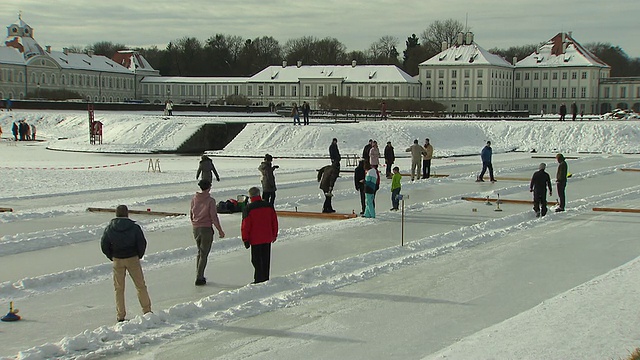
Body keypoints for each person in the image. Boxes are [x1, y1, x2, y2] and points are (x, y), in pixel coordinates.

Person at [100, 205, 152, 322]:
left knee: (119, 289)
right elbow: (142, 243)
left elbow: (104, 245)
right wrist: (139, 255)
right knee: (140, 286)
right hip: (132, 258)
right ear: (127, 214)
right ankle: (147, 310)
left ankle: (120, 315)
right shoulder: (134, 227)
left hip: (117, 259)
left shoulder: (110, 228)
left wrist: (111, 256)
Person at [190, 180, 226, 285]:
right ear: (209, 188)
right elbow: (213, 217)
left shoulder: (194, 199)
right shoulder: (210, 200)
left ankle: (199, 274)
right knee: (204, 254)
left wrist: (194, 223)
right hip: (206, 228)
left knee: (200, 252)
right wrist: (220, 230)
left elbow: (191, 213)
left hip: (196, 228)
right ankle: (199, 277)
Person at [241, 186, 279, 284]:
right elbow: (274, 221)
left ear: (250, 196)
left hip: (255, 239)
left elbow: (245, 225)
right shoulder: (268, 205)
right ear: (259, 194)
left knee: (256, 260)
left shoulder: (248, 208)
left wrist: (245, 239)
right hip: (267, 237)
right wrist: (274, 234)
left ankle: (258, 279)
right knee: (266, 259)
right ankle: (265, 278)